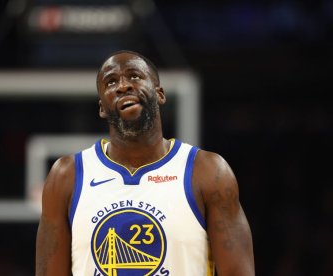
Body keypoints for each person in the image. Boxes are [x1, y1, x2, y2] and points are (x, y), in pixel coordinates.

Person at [35, 50, 255, 276]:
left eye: (134, 76)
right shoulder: (66, 176)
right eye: (111, 82)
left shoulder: (208, 171)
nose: (123, 86)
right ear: (102, 108)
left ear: (159, 93)